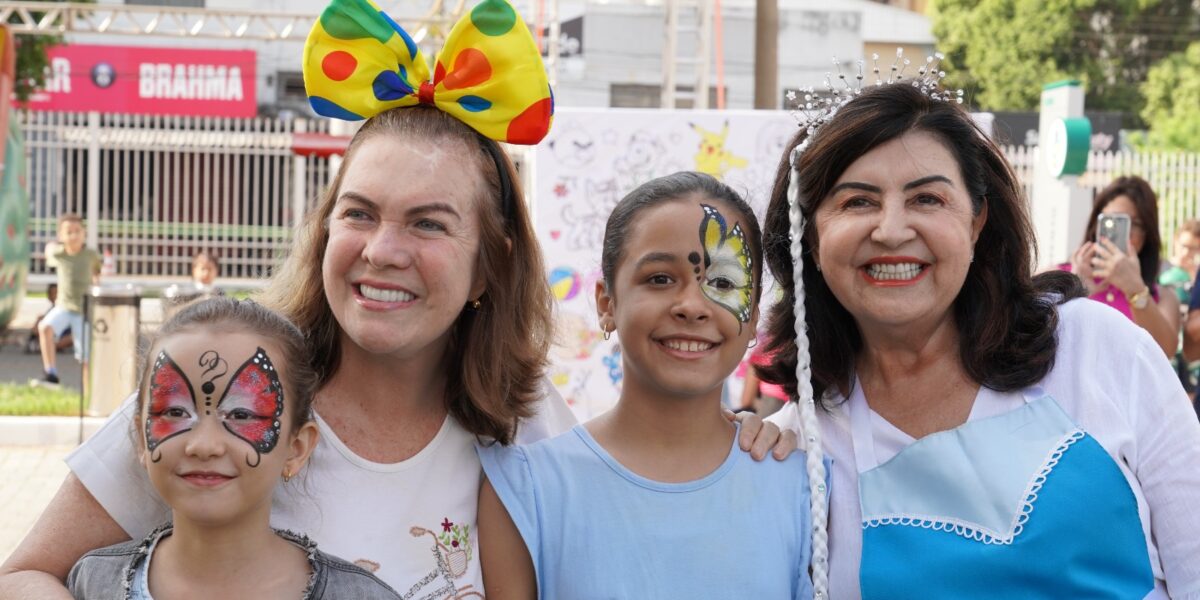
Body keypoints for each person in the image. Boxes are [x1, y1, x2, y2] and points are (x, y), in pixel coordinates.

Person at [0, 1, 784, 596]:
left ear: (489, 267)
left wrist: (748, 441)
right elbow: (27, 573)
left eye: (429, 223)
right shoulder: (231, 383)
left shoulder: (527, 421)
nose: (382, 251)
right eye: (360, 214)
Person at [761, 71, 1200, 599]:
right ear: (810, 237)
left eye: (927, 199)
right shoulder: (799, 448)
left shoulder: (1097, 349)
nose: (893, 230)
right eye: (857, 201)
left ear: (976, 221)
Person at [477, 172, 819, 599]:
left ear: (752, 317)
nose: (692, 306)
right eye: (659, 278)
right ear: (606, 302)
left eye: (724, 283)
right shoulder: (527, 490)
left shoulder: (802, 488)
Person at [67, 297, 401, 599]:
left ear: (296, 448)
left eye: (242, 414)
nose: (204, 445)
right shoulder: (93, 584)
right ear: (141, 438)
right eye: (175, 412)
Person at [1067, 176, 1179, 356]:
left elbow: (1165, 352)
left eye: (1134, 224)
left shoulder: (1162, 297)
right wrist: (1074, 291)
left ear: (1147, 234)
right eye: (1114, 222)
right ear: (1096, 224)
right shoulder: (1058, 275)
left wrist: (1135, 290)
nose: (1125, 234)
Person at [36, 213, 101, 385]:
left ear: (84, 233)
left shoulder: (90, 255)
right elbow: (48, 251)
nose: (73, 235)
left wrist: (96, 287)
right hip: (64, 307)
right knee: (45, 327)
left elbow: (97, 272)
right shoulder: (59, 254)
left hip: (83, 310)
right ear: (61, 236)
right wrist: (51, 246)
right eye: (68, 232)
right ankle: (50, 373)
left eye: (77, 231)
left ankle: (89, 391)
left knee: (85, 356)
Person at [1158, 219, 1200, 305]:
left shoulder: (1197, 273)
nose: (1186, 252)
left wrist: (1193, 275)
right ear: (1175, 241)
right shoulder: (1159, 266)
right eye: (1183, 245)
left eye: (1192, 248)